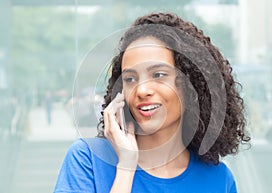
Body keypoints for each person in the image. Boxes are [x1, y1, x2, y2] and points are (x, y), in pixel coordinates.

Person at [53, 12, 250, 193]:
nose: (142, 90)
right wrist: (126, 166)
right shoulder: (87, 160)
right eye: (130, 79)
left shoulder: (218, 180)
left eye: (158, 75)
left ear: (191, 85)